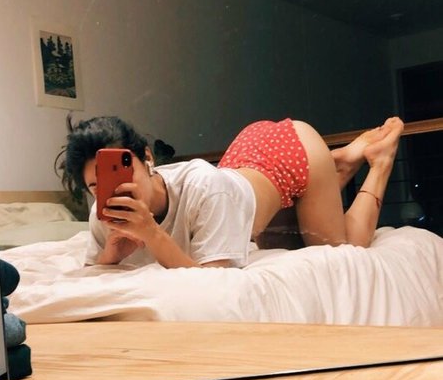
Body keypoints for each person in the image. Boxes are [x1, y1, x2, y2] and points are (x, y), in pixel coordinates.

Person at [55, 114, 404, 270]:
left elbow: (215, 281)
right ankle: (339, 162)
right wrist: (111, 255)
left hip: (293, 151)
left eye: (124, 173)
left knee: (343, 248)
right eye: (95, 187)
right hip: (245, 165)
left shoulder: (204, 188)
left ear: (147, 158)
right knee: (288, 239)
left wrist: (152, 233)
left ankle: (378, 160)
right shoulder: (103, 213)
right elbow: (96, 270)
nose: (115, 191)